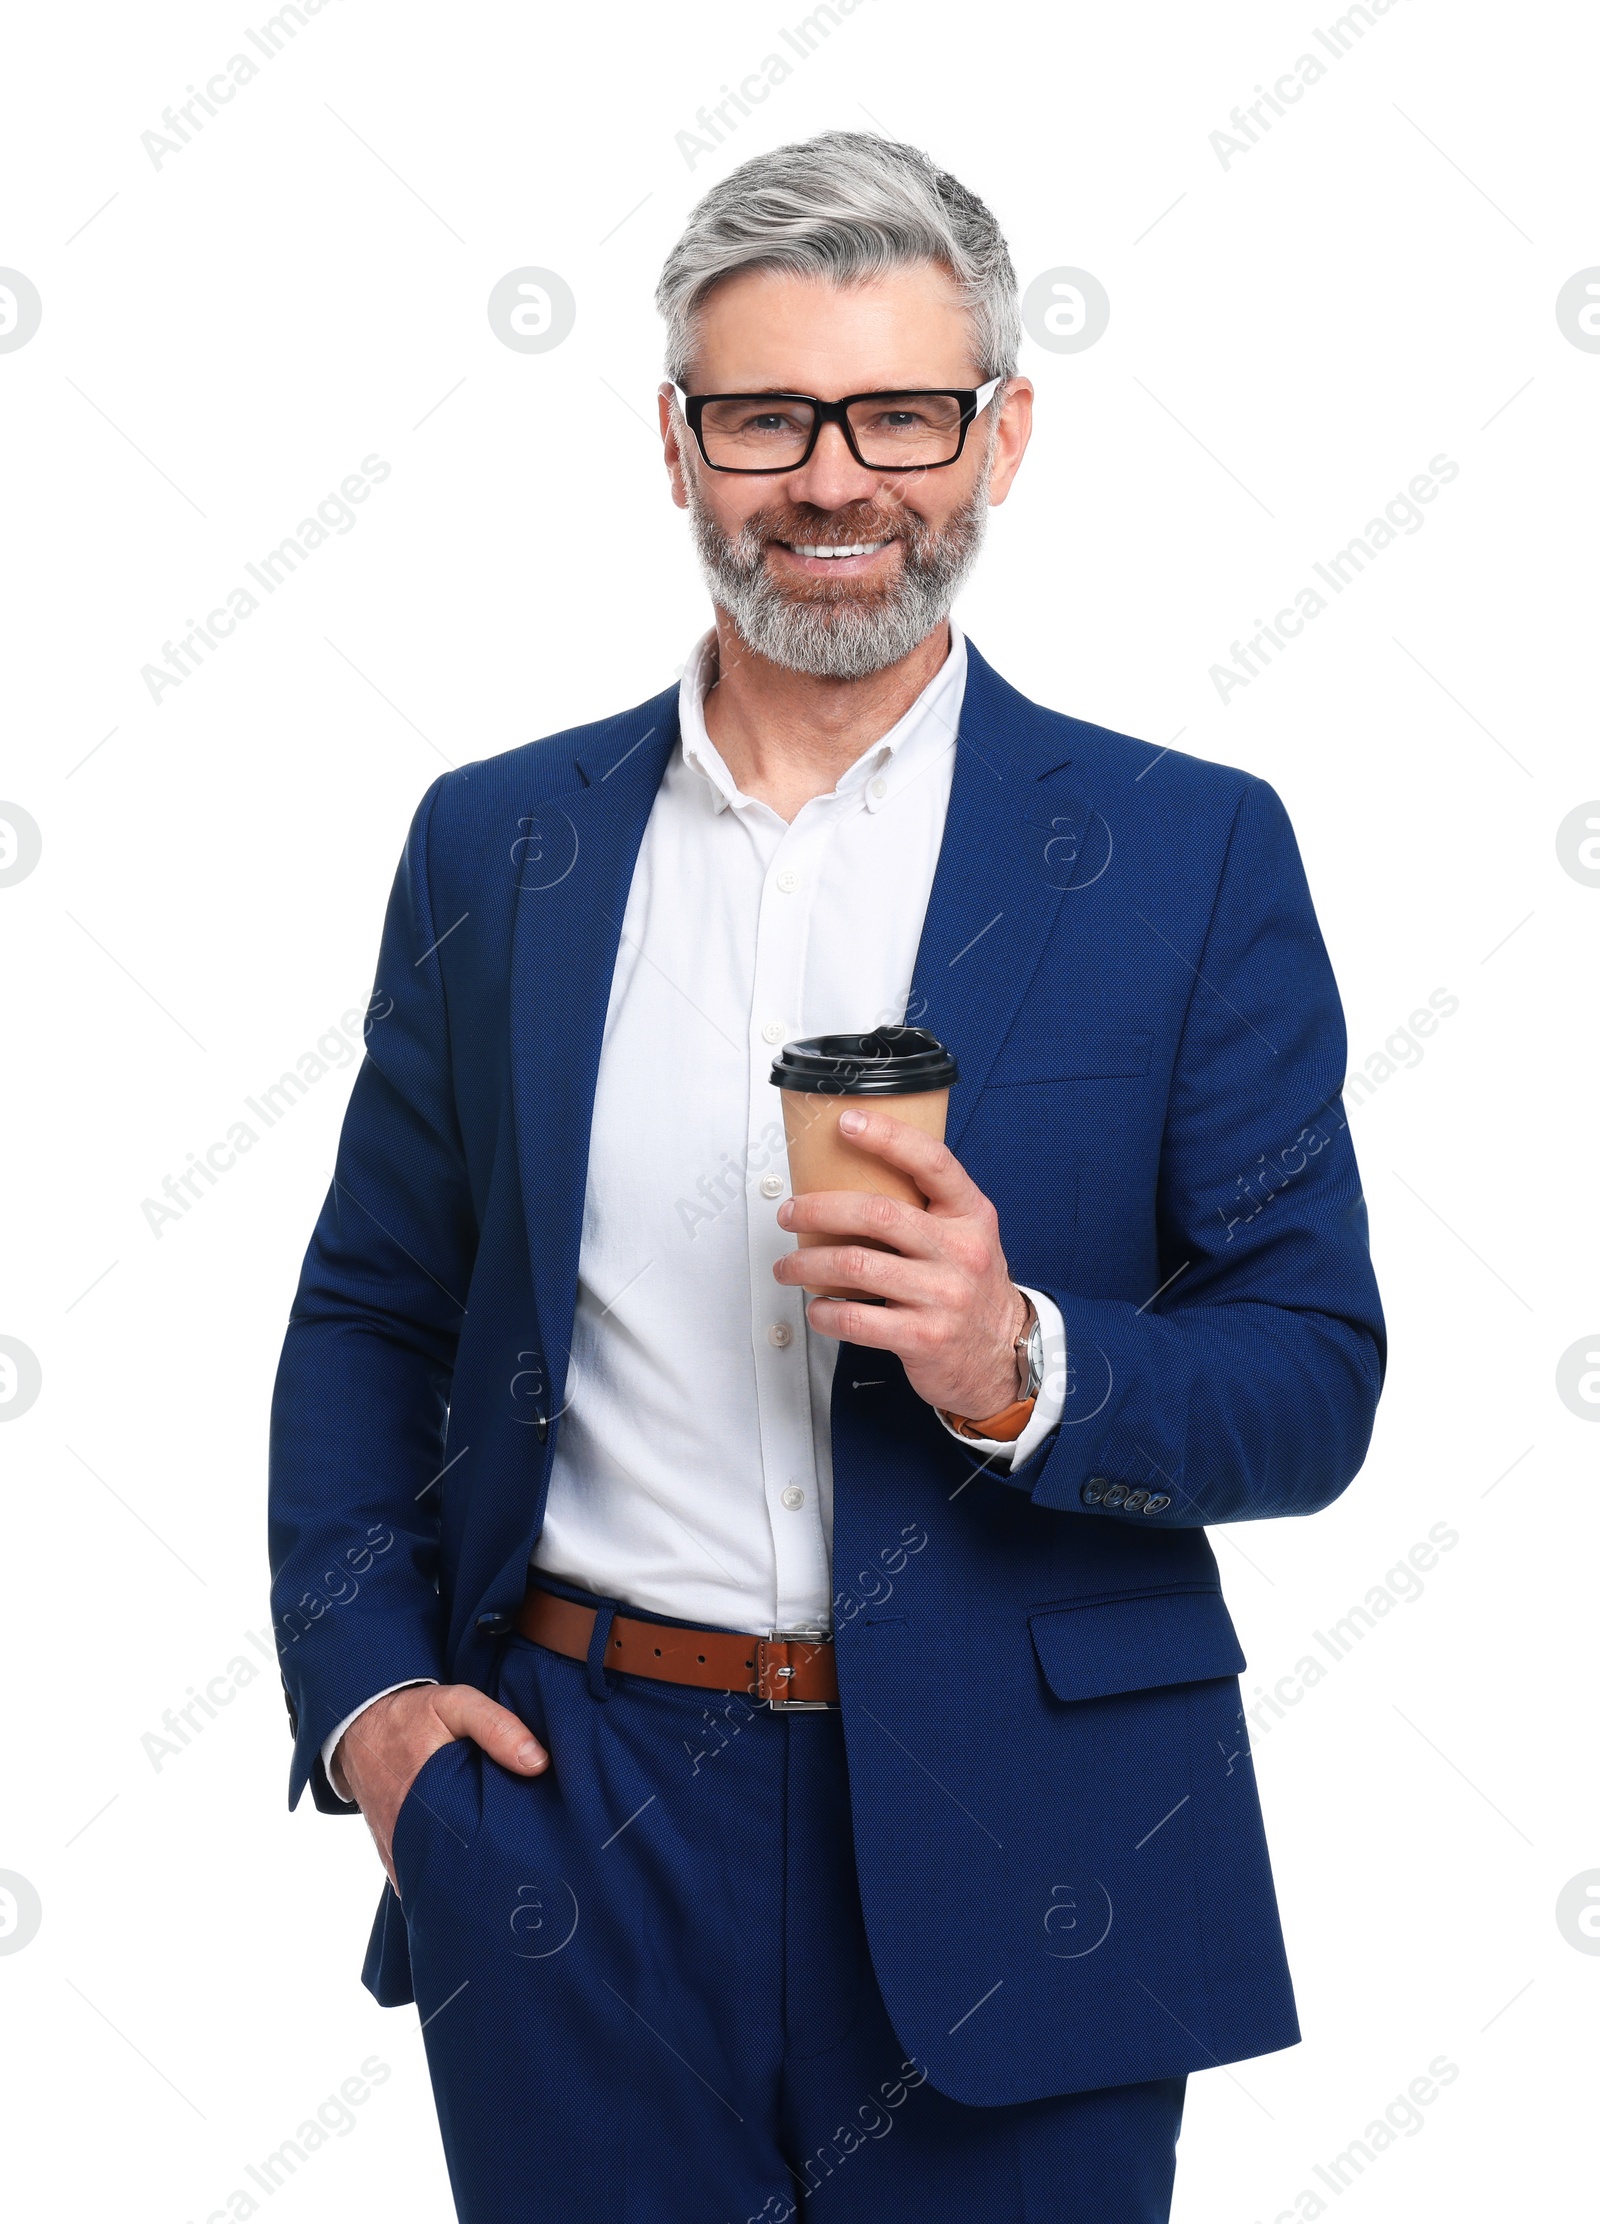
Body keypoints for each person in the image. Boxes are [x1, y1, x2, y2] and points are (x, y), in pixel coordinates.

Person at [268, 129, 1386, 2223]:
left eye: (899, 411)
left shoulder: (1185, 852)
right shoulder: (498, 845)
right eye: (769, 412)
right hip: (568, 1815)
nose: (836, 477)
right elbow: (370, 1309)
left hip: (1034, 1826)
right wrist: (371, 1714)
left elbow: (1310, 1370)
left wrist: (1016, 1358)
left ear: (1001, 433)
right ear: (678, 444)